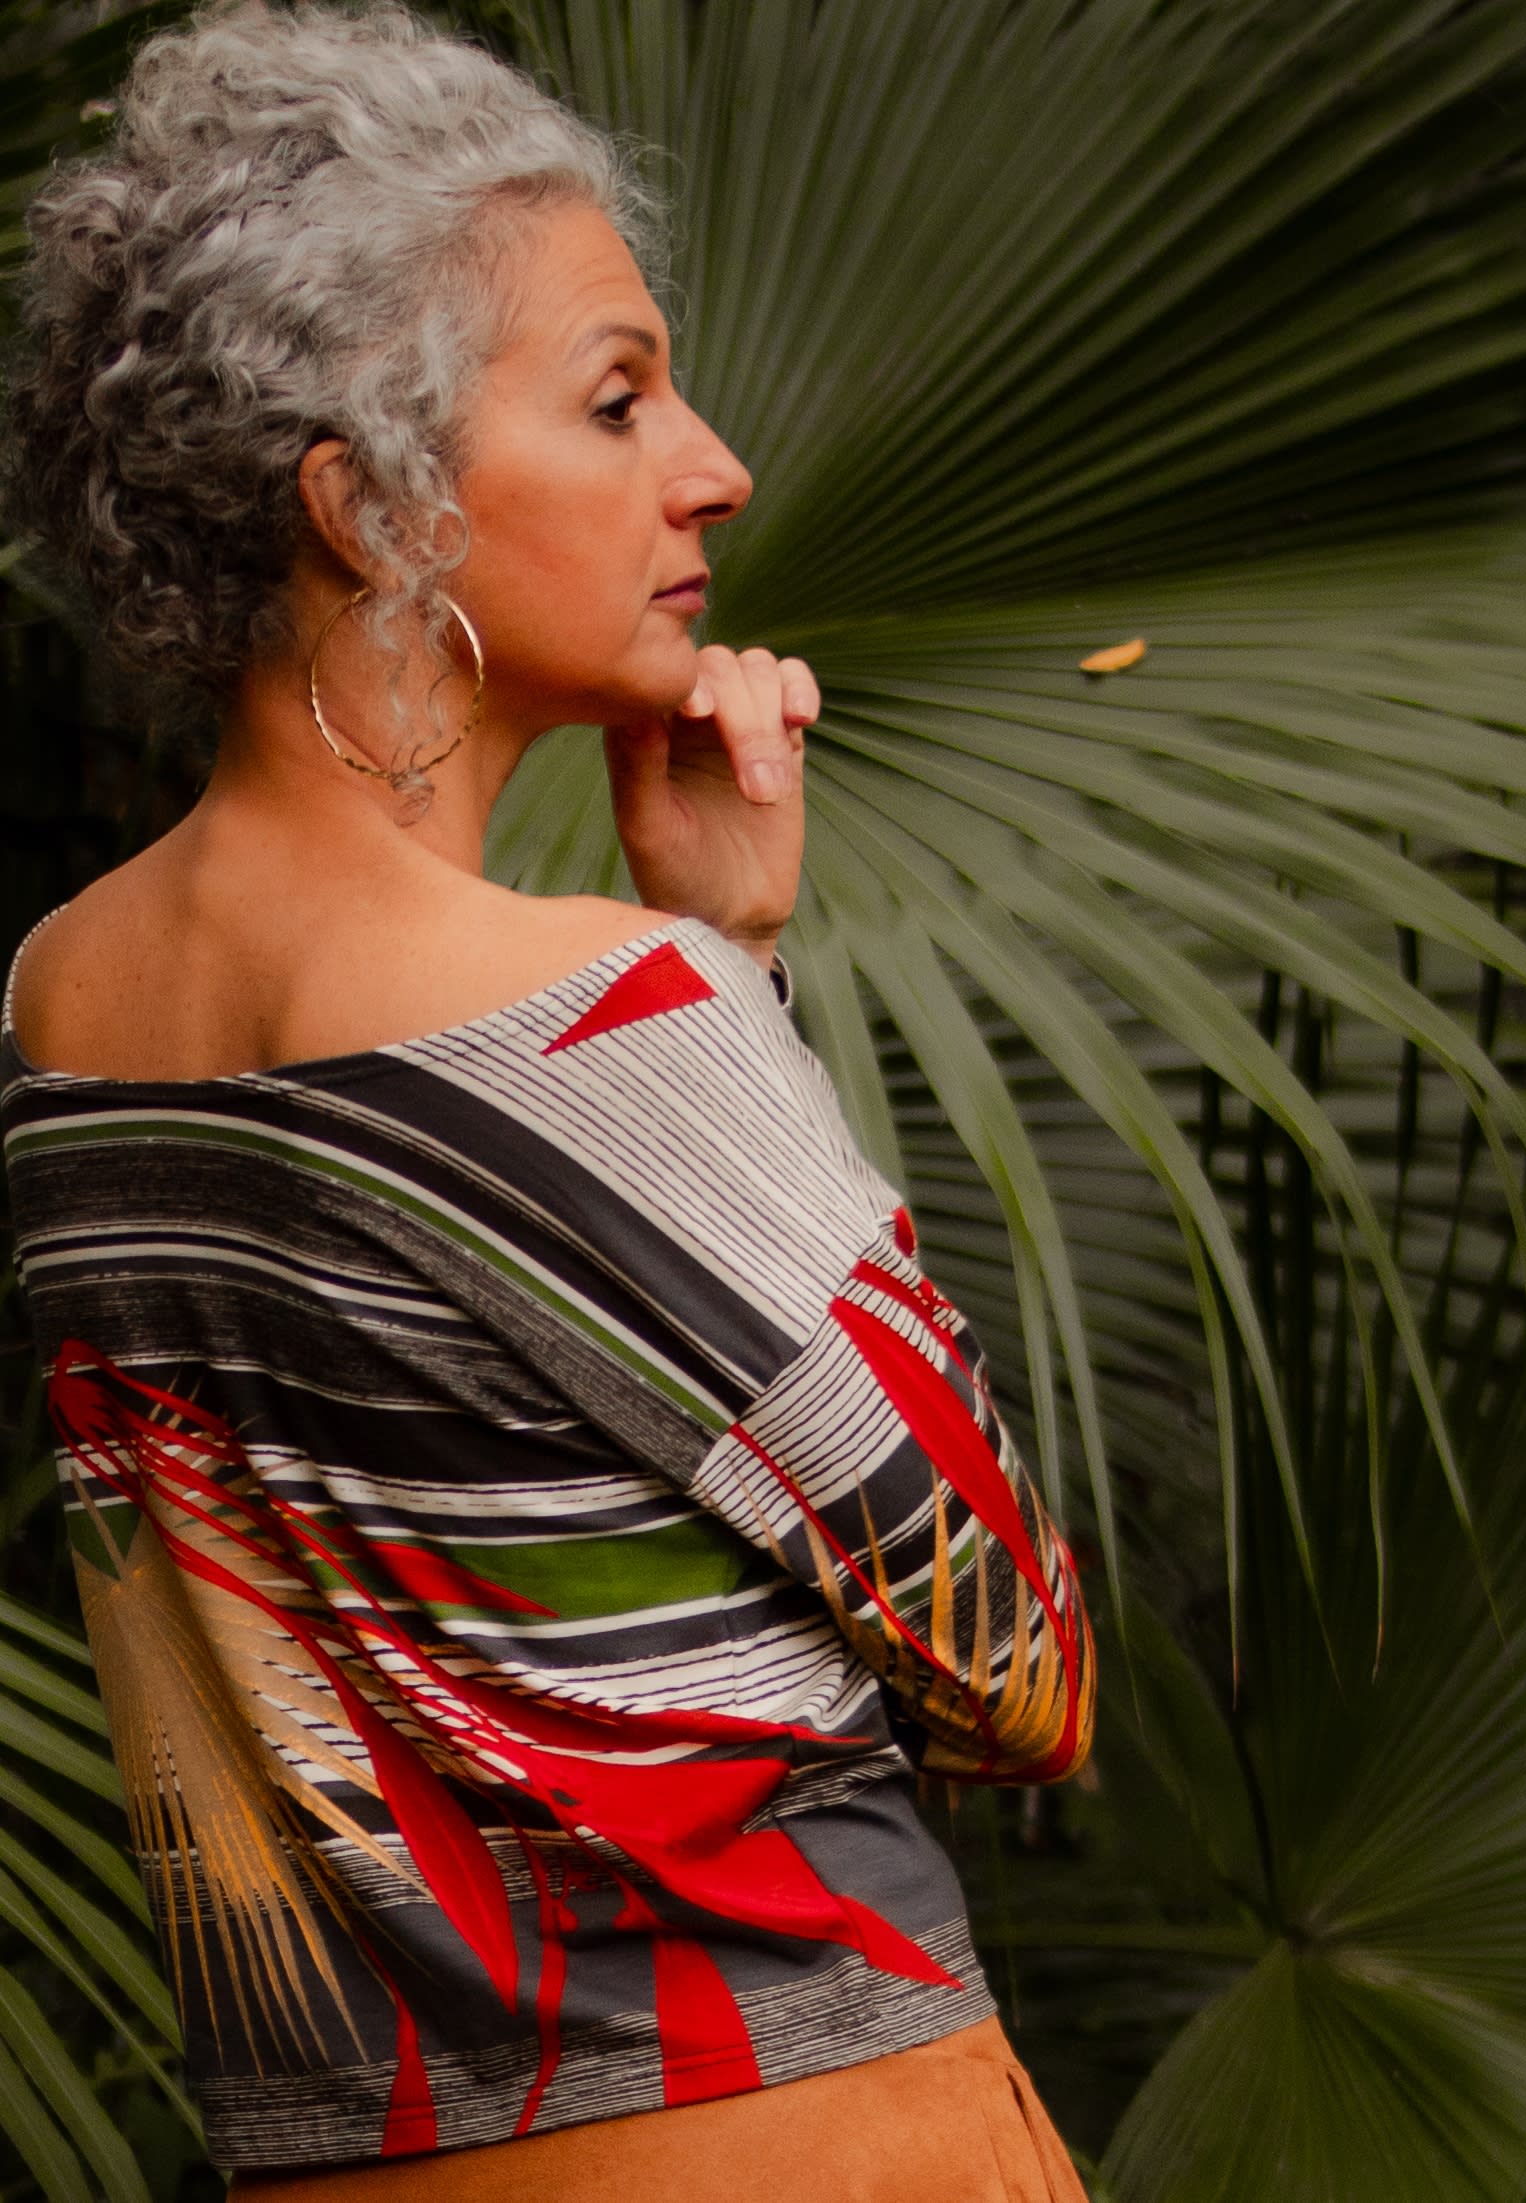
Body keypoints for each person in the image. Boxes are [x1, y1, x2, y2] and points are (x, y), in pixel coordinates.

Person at [0, 4, 1096, 2196]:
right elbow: (1016, 1666)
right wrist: (719, 993)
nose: (716, 467)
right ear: (367, 503)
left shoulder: (58, 1006)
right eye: (616, 398)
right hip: (799, 2135)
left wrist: (719, 961)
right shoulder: (594, 1025)